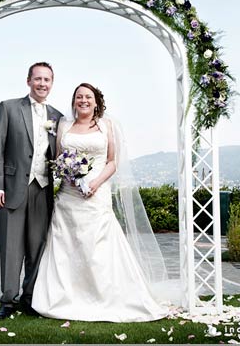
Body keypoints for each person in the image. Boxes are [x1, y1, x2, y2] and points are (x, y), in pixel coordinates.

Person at [31, 83, 179, 322]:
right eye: (79, 97)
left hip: (97, 194)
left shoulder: (107, 125)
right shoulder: (64, 126)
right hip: (69, 195)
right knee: (67, 245)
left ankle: (105, 296)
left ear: (96, 101)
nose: (83, 100)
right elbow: (59, 158)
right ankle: (65, 297)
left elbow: (112, 161)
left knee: (98, 246)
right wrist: (71, 175)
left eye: (88, 97)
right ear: (74, 101)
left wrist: (95, 183)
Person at [0, 62, 63, 319]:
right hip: (11, 189)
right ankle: (8, 301)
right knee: (10, 248)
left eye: (47, 80)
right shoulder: (8, 108)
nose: (43, 84)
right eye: (38, 79)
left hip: (42, 189)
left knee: (36, 247)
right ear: (28, 80)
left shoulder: (57, 116)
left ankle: (30, 297)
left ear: (52, 83)